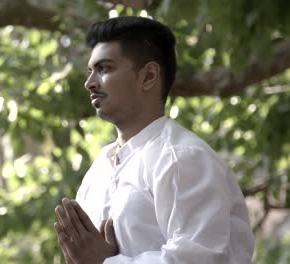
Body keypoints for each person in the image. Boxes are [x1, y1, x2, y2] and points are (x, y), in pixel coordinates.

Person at [54, 16, 254, 264]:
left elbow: (200, 259)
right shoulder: (99, 170)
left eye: (104, 68)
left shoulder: (181, 158)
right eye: (90, 71)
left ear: (148, 76)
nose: (90, 83)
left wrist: (105, 263)